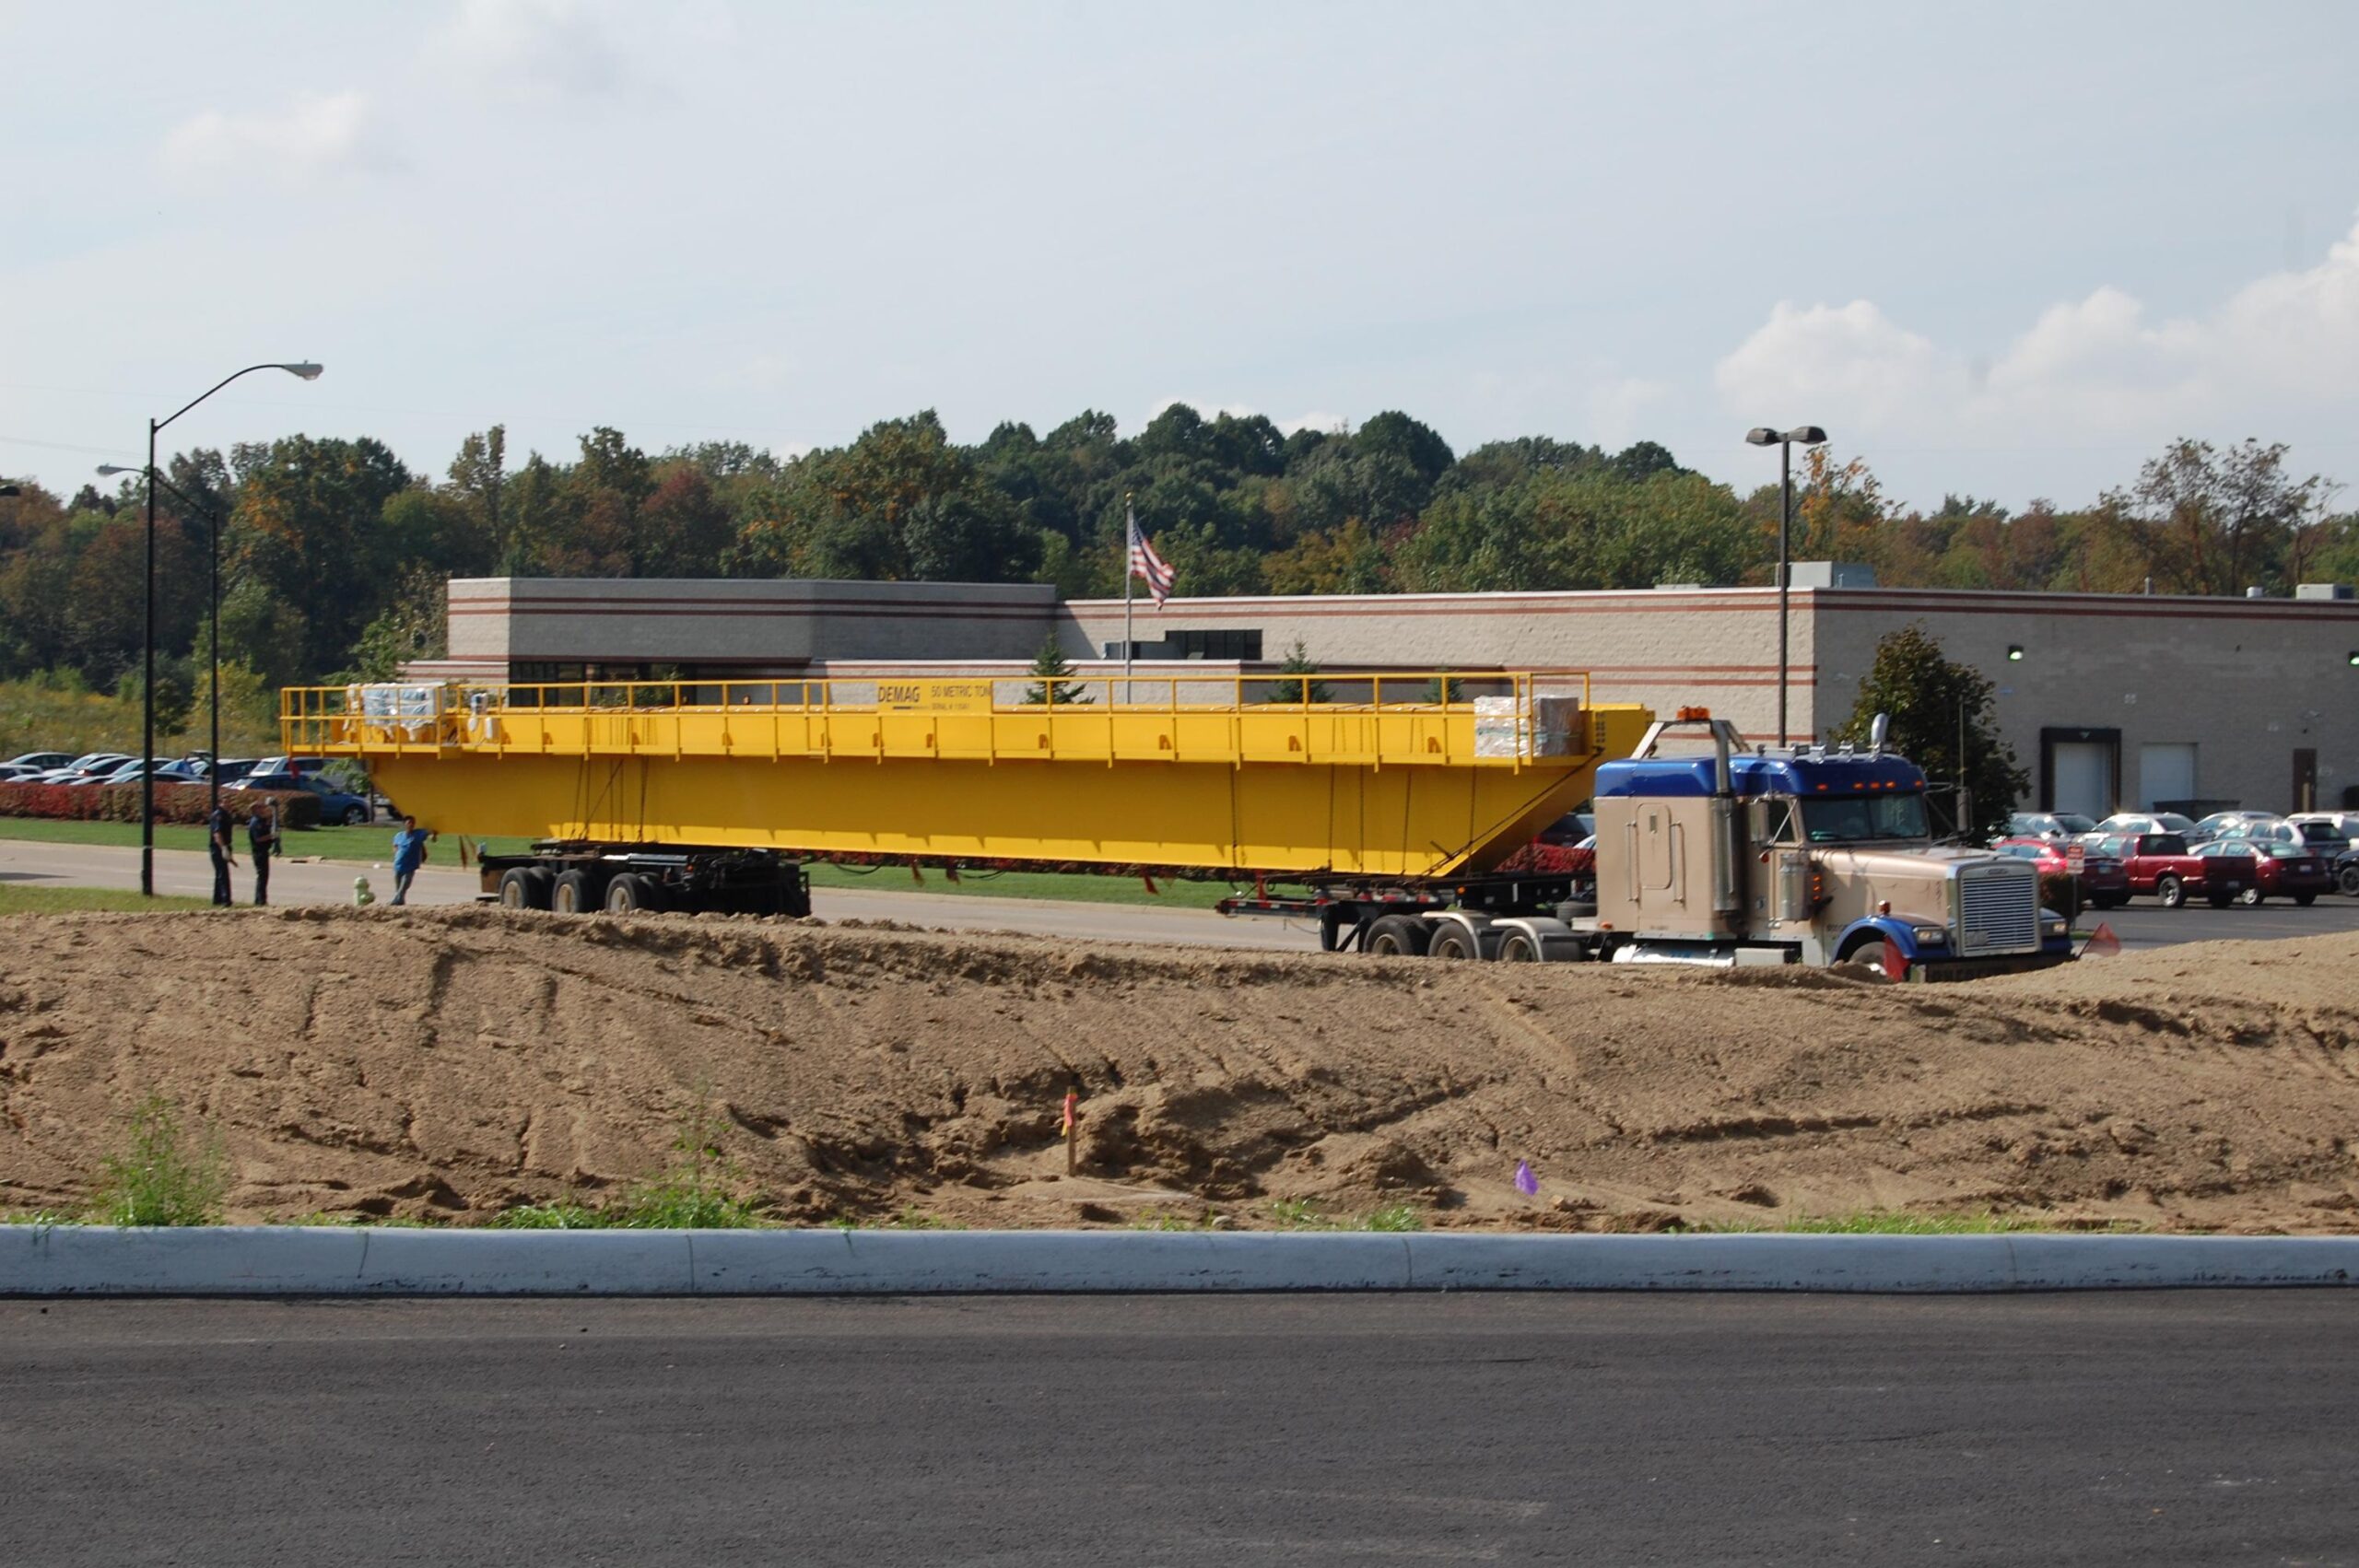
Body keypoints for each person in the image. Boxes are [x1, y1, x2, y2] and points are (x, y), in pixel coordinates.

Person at [391, 814, 429, 906]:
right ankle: (400, 902)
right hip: (398, 865)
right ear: (405, 824)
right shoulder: (399, 835)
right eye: (409, 823)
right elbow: (395, 846)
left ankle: (395, 902)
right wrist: (396, 855)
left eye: (413, 823)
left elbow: (429, 833)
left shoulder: (418, 834)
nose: (411, 824)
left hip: (410, 866)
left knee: (404, 886)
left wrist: (433, 835)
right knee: (398, 887)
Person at [247, 798, 279, 907]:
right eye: (261, 807)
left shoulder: (261, 820)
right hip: (259, 852)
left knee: (264, 877)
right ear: (255, 809)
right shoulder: (255, 822)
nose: (264, 809)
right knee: (262, 876)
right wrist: (271, 835)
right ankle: (260, 900)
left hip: (263, 851)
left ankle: (260, 899)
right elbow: (258, 838)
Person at [206, 799, 237, 907]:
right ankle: (225, 900)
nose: (228, 803)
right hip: (218, 847)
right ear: (220, 803)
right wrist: (223, 848)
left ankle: (217, 898)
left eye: (229, 802)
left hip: (225, 845)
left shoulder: (226, 815)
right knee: (223, 873)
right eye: (225, 802)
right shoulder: (218, 815)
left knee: (220, 873)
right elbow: (217, 834)